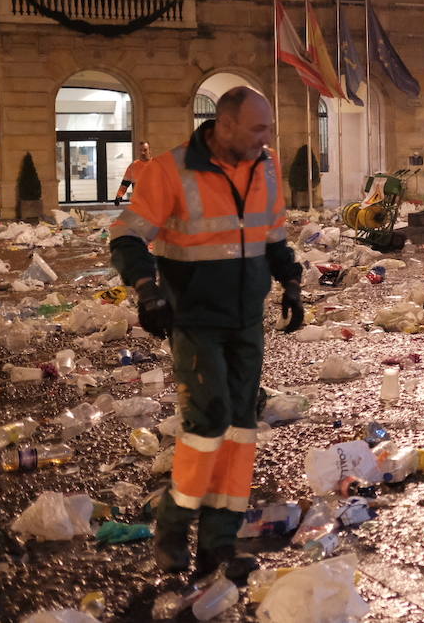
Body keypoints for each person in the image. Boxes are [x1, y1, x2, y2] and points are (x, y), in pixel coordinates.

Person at [109, 87, 301, 579]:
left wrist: (292, 283)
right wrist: (147, 289)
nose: (267, 138)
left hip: (246, 318)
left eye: (269, 129)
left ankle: (220, 540)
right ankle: (172, 527)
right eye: (258, 129)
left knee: (241, 426)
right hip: (194, 319)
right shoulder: (172, 170)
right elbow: (128, 233)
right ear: (226, 125)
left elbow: (273, 233)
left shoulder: (266, 165)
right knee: (207, 423)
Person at [114, 141, 152, 206]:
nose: (142, 153)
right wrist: (119, 195)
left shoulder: (157, 165)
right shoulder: (133, 166)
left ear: (150, 151)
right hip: (138, 204)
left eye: (145, 150)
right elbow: (124, 184)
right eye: (140, 150)